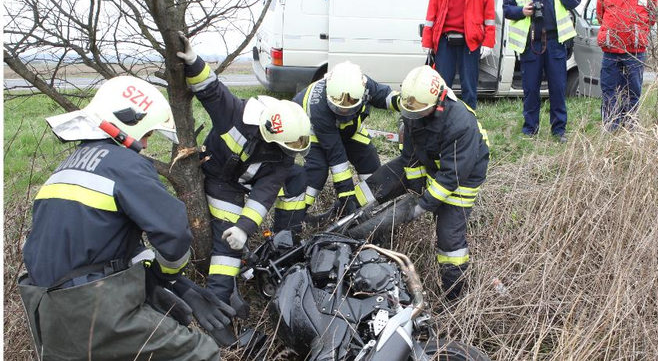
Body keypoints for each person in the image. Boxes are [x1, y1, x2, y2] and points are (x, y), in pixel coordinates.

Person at [19, 76, 223, 360]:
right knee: (200, 353)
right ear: (130, 123)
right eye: (148, 133)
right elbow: (174, 231)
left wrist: (151, 282)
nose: (148, 144)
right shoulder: (126, 164)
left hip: (44, 310)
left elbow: (102, 243)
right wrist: (167, 274)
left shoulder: (67, 167)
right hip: (89, 308)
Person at [177, 33, 311, 308]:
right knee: (228, 242)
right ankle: (218, 302)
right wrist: (193, 61)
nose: (290, 153)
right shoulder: (236, 115)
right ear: (269, 133)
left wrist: (246, 227)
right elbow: (211, 90)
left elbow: (265, 192)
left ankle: (283, 245)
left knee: (298, 180)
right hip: (220, 180)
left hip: (250, 180)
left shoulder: (284, 155)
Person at [359, 66, 490, 301]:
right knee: (379, 183)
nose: (412, 117)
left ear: (438, 103)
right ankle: (349, 217)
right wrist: (415, 184)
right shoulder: (414, 106)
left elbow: (451, 177)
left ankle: (454, 294)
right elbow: (410, 152)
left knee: (450, 239)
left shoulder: (461, 124)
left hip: (462, 177)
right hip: (432, 160)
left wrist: (421, 206)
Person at [273, 61, 400, 234]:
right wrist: (346, 198)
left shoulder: (365, 85)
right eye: (339, 108)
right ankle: (295, 217)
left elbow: (388, 98)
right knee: (317, 172)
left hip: (349, 130)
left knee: (369, 161)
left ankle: (369, 209)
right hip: (316, 131)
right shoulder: (317, 106)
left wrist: (408, 105)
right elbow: (337, 157)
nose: (344, 112)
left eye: (349, 108)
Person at [503, 0, 581, 142]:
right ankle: (530, 129)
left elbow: (574, 1)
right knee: (531, 88)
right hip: (531, 43)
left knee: (558, 88)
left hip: (556, 43)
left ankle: (558, 131)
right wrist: (521, 11)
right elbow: (506, 9)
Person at [422, 0, 496, 110]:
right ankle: (440, 119)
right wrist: (427, 40)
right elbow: (431, 12)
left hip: (470, 40)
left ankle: (470, 120)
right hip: (444, 39)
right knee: (442, 86)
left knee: (469, 85)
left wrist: (489, 41)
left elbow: (489, 14)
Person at [597, 0, 658, 130]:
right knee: (609, 91)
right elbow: (600, 15)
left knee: (633, 91)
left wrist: (637, 31)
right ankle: (610, 128)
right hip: (611, 48)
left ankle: (629, 128)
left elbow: (652, 17)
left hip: (636, 50)